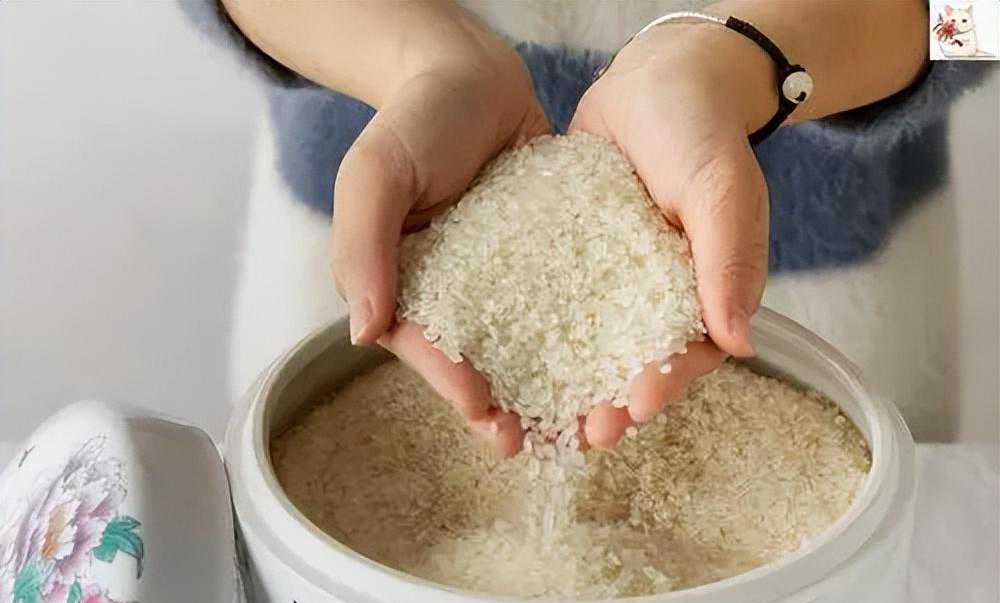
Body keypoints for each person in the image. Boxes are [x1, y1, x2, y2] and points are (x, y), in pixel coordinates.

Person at [184, 0, 988, 451]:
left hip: (836, 318)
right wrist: (418, 63)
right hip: (382, 259)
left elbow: (974, 14)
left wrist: (746, 61)